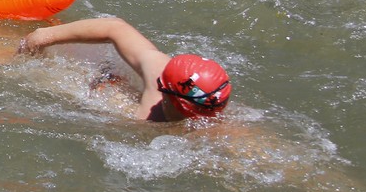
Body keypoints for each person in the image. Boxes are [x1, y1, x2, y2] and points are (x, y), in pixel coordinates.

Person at [17, 17, 232, 122]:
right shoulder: (159, 70)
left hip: (110, 100)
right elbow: (115, 28)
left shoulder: (210, 129)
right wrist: (44, 35)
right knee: (25, 66)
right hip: (100, 82)